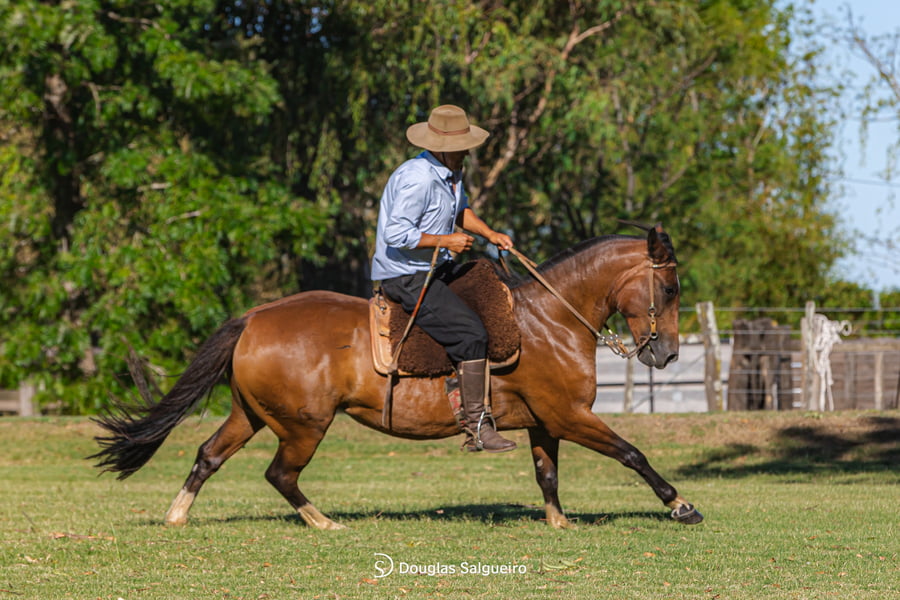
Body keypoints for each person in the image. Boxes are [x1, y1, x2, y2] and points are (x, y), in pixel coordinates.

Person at [371, 104, 516, 453]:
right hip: (406, 275)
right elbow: (396, 233)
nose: (467, 151)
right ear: (441, 147)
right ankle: (477, 426)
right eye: (462, 145)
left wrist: (489, 233)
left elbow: (461, 211)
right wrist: (445, 241)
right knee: (471, 335)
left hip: (435, 267)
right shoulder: (417, 178)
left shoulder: (450, 174)